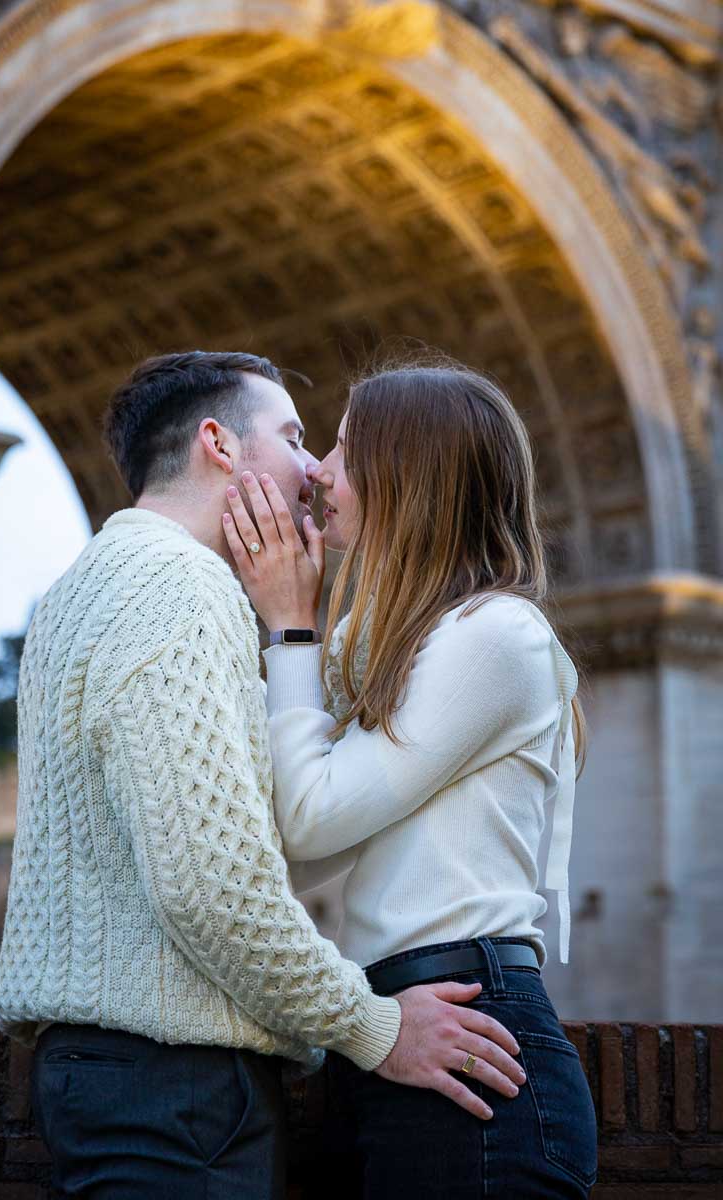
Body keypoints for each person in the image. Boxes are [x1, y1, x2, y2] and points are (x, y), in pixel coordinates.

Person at [0, 351, 526, 1200]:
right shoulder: (181, 590)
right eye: (294, 436)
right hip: (176, 1082)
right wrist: (374, 1026)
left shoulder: (79, 589)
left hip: (115, 1070)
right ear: (219, 444)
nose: (314, 468)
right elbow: (213, 885)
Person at [222, 356, 599, 1199]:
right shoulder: (378, 639)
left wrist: (289, 627)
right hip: (391, 1031)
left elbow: (312, 818)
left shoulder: (496, 636)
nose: (318, 471)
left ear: (405, 472)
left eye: (347, 450)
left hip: (472, 1035)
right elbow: (298, 840)